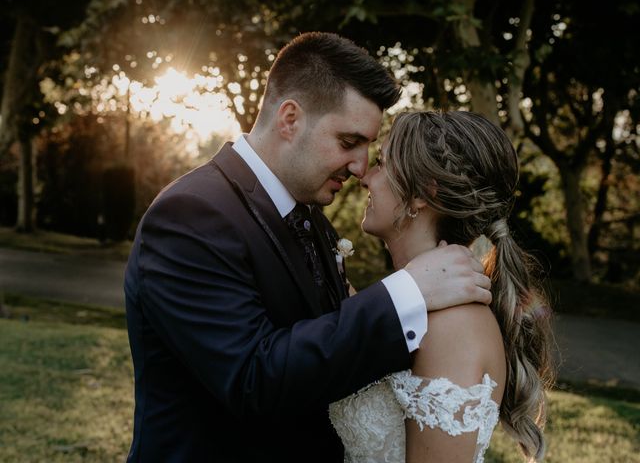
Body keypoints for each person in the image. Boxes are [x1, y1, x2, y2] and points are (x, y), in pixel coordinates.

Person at [124, 33, 492, 462]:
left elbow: (330, 356)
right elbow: (252, 380)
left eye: (369, 148)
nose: (359, 167)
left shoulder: (314, 219)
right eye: (349, 142)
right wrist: (407, 292)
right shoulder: (190, 215)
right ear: (290, 119)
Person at [329, 111, 555, 463]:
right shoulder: (404, 304)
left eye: (381, 163)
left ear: (422, 193)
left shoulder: (453, 327)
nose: (365, 177)